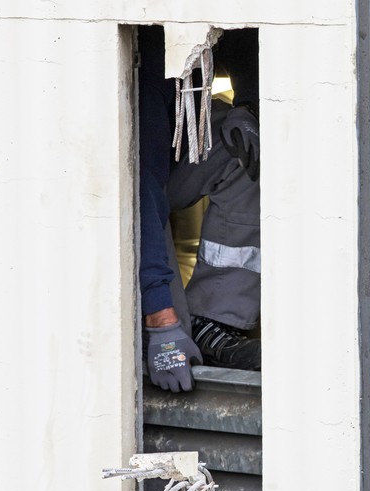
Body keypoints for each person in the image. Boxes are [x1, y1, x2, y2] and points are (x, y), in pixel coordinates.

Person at [138, 26, 261, 392]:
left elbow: (242, 36)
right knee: (169, 332)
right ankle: (170, 326)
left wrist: (248, 105)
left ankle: (215, 320)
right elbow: (140, 198)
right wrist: (162, 321)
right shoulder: (143, 80)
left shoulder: (201, 18)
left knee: (249, 153)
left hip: (182, 137)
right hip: (133, 182)